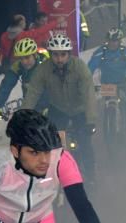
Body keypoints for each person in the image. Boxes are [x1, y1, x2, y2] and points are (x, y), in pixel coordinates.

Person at [21, 35, 97, 181]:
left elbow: (89, 94)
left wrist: (91, 119)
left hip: (79, 109)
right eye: (55, 55)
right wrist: (23, 118)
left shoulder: (80, 67)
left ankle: (91, 174)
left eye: (63, 54)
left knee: (85, 142)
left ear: (69, 54)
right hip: (58, 109)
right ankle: (52, 174)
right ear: (51, 55)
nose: (59, 59)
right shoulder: (43, 69)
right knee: (51, 145)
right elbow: (33, 93)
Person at [87, 28, 126, 114]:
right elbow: (91, 67)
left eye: (115, 41)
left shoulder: (125, 52)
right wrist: (87, 81)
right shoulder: (101, 52)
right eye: (110, 40)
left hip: (123, 81)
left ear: (120, 41)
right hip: (107, 83)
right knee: (107, 104)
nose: (112, 43)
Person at [0, 38, 48, 113]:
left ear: (35, 55)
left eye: (27, 57)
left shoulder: (45, 64)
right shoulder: (18, 66)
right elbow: (5, 87)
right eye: (21, 58)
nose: (24, 62)